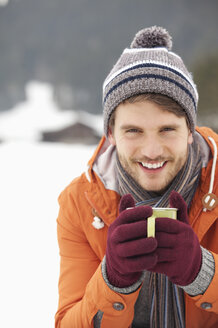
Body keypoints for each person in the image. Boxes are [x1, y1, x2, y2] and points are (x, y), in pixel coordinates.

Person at [55, 26, 218, 328]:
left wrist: (201, 272)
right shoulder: (79, 203)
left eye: (167, 129)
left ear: (190, 132)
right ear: (110, 134)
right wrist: (112, 281)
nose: (152, 151)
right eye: (133, 131)